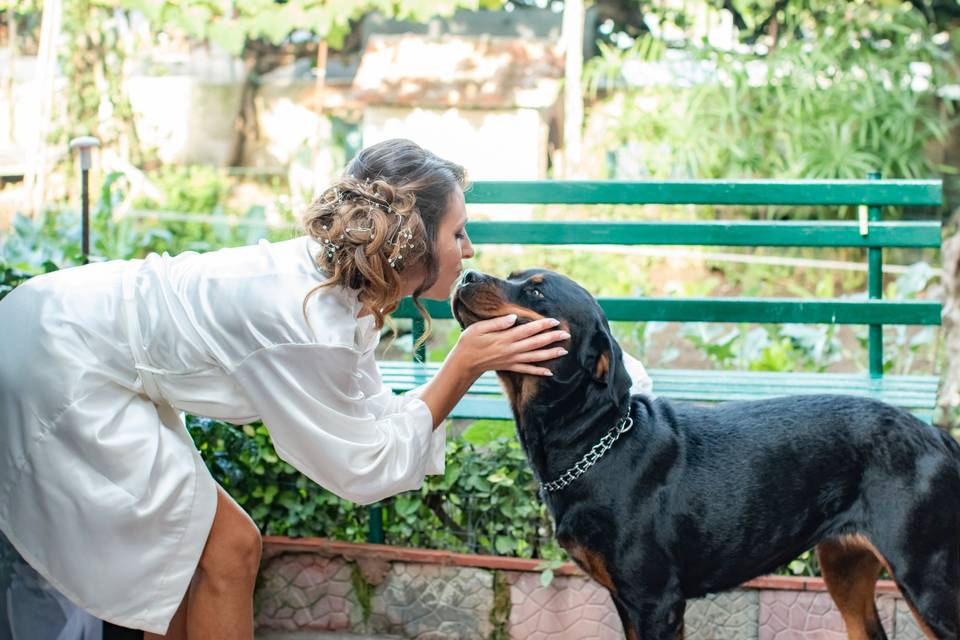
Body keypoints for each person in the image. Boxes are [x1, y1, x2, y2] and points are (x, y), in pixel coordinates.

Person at [0, 139, 574, 639]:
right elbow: (363, 466)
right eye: (457, 231)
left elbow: (373, 421)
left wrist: (461, 364)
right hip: (62, 363)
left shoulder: (333, 284)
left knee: (190, 557)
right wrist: (463, 366)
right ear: (411, 242)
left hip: (64, 330)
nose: (468, 249)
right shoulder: (308, 322)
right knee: (228, 550)